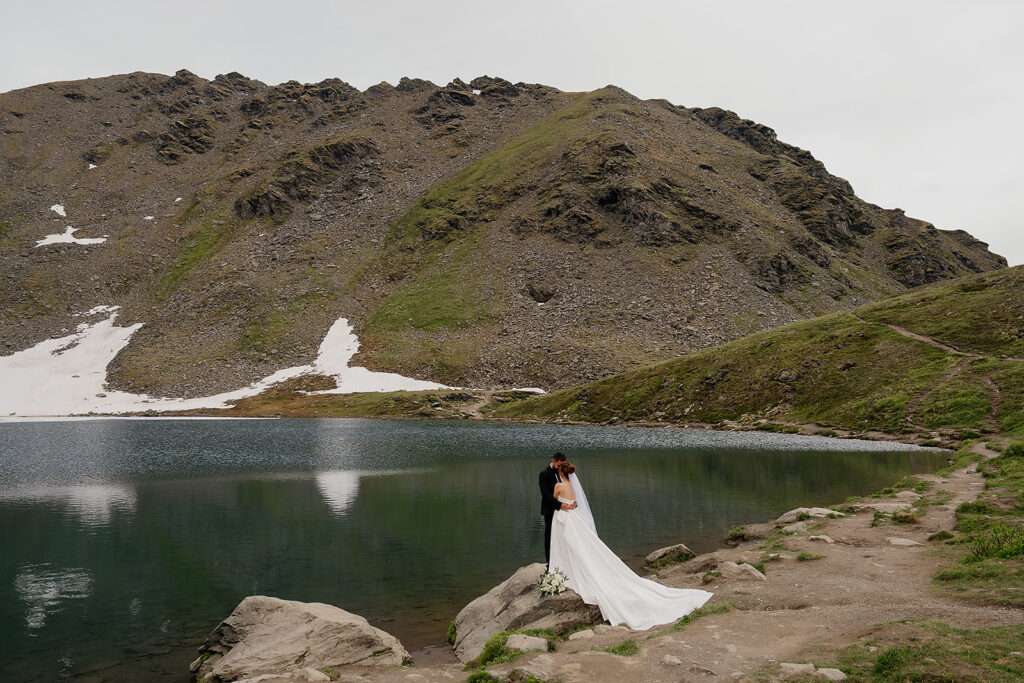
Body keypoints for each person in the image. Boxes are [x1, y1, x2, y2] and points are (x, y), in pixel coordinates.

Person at [548, 458, 713, 630]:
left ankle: (566, 571)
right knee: (583, 548)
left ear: (561, 472)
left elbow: (554, 501)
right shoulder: (573, 486)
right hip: (574, 517)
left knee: (569, 546)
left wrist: (562, 506)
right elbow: (573, 502)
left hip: (565, 519)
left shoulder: (558, 486)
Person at [539, 452, 576, 569]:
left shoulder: (564, 473)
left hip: (565, 511)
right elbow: (546, 495)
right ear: (553, 461)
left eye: (561, 465)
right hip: (550, 510)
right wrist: (560, 505)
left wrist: (573, 503)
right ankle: (550, 563)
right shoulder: (544, 474)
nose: (560, 467)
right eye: (558, 465)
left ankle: (565, 562)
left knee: (564, 536)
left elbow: (571, 490)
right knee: (550, 536)